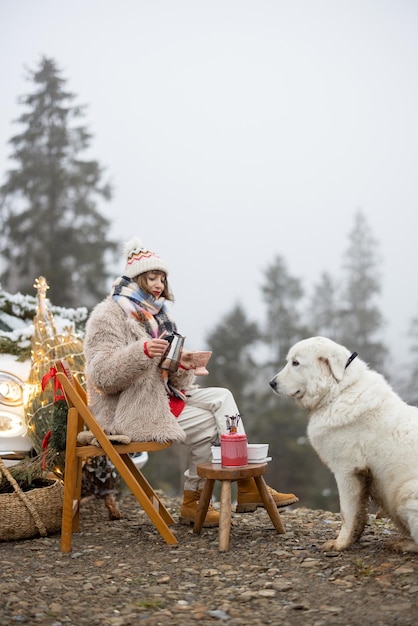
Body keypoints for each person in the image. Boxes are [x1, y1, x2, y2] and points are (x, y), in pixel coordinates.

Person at [84, 237, 298, 527]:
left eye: (162, 278)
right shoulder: (108, 315)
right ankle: (199, 499)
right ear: (137, 277)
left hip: (162, 394)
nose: (159, 284)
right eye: (152, 276)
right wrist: (142, 351)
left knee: (222, 397)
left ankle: (245, 486)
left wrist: (182, 364)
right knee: (211, 425)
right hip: (127, 409)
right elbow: (102, 376)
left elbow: (169, 375)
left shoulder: (158, 315)